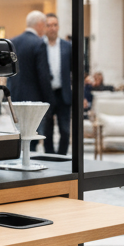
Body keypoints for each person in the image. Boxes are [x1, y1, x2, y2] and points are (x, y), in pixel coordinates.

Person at [8, 12, 52, 131]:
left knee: (19, 133)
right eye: (45, 25)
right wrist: (49, 99)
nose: (45, 29)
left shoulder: (13, 42)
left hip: (15, 96)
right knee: (32, 135)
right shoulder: (39, 43)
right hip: (34, 99)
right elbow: (43, 75)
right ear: (39, 24)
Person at [43, 12, 72, 155]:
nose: (52, 28)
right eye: (49, 25)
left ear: (58, 26)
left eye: (55, 25)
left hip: (63, 93)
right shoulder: (40, 46)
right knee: (47, 130)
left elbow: (75, 71)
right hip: (46, 94)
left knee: (65, 130)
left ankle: (62, 158)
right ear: (44, 27)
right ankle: (49, 156)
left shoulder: (67, 46)